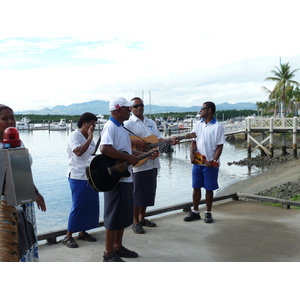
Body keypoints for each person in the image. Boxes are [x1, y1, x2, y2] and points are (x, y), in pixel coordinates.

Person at [100, 97, 156, 262]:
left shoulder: (122, 128)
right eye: (127, 108)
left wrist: (145, 155)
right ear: (117, 109)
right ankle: (108, 253)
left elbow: (127, 153)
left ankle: (118, 246)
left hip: (125, 178)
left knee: (122, 216)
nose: (129, 111)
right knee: (112, 216)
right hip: (115, 179)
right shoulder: (110, 127)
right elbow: (105, 148)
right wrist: (127, 157)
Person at [124, 97, 177, 234]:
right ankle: (135, 221)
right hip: (139, 164)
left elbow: (157, 140)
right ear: (130, 108)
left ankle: (142, 217)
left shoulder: (150, 122)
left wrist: (169, 142)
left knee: (148, 193)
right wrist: (140, 145)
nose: (139, 108)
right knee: (137, 195)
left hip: (152, 164)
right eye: (136, 106)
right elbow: (126, 143)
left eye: (141, 105)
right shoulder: (128, 124)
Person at [0, 104, 46, 262]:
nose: (10, 121)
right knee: (8, 246)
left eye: (12, 117)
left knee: (25, 240)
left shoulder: (18, 143)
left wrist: (35, 192)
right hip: (5, 206)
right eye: (4, 118)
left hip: (24, 201)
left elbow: (23, 172)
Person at [184, 101, 225, 223]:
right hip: (198, 162)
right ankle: (195, 211)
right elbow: (194, 142)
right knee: (196, 187)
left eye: (203, 108)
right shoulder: (197, 124)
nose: (200, 110)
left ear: (209, 110)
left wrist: (214, 160)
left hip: (210, 164)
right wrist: (191, 154)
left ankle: (208, 212)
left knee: (209, 188)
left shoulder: (217, 126)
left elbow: (219, 146)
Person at [63, 112, 100, 248]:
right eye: (92, 124)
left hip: (90, 176)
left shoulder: (90, 138)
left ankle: (82, 232)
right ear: (84, 123)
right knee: (78, 206)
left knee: (90, 205)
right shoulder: (74, 136)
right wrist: (90, 138)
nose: (94, 127)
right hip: (77, 176)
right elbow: (78, 152)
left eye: (95, 124)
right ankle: (68, 236)